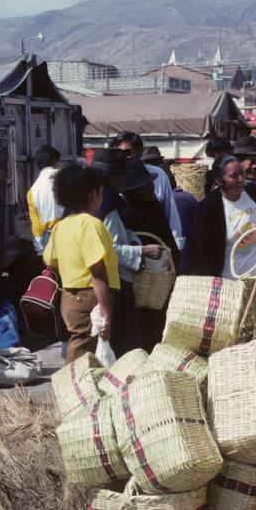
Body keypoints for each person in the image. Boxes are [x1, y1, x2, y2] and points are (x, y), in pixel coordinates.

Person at [44, 163, 119, 363]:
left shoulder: (62, 226)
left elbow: (50, 259)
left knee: (79, 343)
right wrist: (106, 312)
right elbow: (98, 273)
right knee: (83, 351)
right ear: (93, 194)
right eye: (100, 193)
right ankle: (70, 390)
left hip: (69, 297)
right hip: (89, 298)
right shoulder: (91, 225)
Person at [91, 148, 160, 357]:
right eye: (123, 175)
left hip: (89, 283)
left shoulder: (87, 203)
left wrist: (130, 237)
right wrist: (142, 250)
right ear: (111, 177)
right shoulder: (108, 204)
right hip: (113, 282)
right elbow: (110, 249)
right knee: (122, 343)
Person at [118, 161, 179, 352]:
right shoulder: (123, 214)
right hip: (137, 280)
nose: (151, 189)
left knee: (157, 326)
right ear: (132, 192)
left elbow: (167, 240)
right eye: (144, 186)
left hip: (158, 279)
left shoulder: (154, 208)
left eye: (150, 184)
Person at [192, 155, 256, 279]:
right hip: (230, 285)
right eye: (234, 176)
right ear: (219, 181)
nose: (241, 179)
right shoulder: (208, 209)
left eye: (242, 173)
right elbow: (203, 255)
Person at [112, 131, 184, 252]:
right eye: (118, 153)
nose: (122, 157)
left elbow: (170, 213)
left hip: (156, 247)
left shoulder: (159, 175)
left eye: (127, 153)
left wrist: (175, 247)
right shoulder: (113, 179)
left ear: (139, 152)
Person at [27, 145, 64, 256]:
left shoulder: (32, 191)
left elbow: (36, 225)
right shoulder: (66, 178)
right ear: (55, 161)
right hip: (70, 232)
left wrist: (40, 250)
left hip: (48, 239)